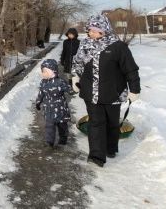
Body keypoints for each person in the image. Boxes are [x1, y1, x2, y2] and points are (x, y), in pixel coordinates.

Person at [71, 14, 141, 168]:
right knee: (96, 123)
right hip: (90, 93)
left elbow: (130, 69)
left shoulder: (118, 47)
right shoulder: (85, 44)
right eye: (90, 30)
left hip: (113, 93)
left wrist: (135, 89)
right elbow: (77, 63)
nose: (93, 34)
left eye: (97, 31)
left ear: (106, 30)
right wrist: (75, 77)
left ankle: (110, 148)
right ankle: (97, 156)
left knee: (112, 123)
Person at [35, 59, 71, 148]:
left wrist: (76, 87)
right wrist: (38, 102)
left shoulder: (60, 82)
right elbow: (41, 93)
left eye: (44, 71)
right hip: (49, 109)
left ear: (52, 71)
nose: (42, 73)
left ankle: (63, 139)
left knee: (62, 125)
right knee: (49, 126)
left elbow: (69, 90)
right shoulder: (43, 82)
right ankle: (49, 142)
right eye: (42, 72)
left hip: (61, 109)